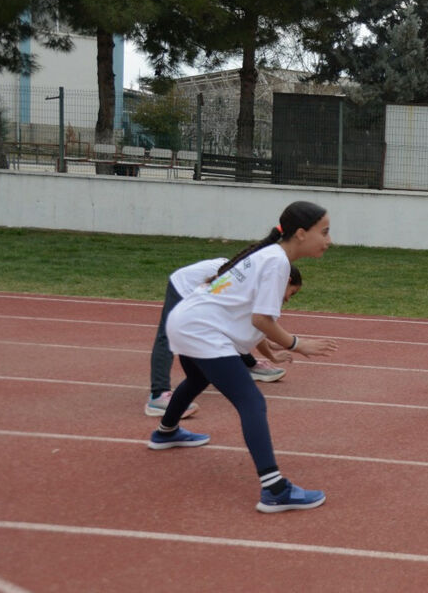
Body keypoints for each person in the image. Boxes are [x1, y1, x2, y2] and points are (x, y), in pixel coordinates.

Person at [147, 201, 339, 513]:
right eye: (326, 232)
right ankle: (275, 488)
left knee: (197, 377)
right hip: (200, 329)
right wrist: (298, 344)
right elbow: (261, 320)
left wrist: (272, 349)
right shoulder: (277, 263)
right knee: (252, 402)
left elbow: (251, 317)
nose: (330, 240)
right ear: (302, 234)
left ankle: (165, 432)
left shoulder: (270, 256)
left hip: (187, 322)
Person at [144, 261, 298, 417]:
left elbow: (247, 325)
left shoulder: (259, 280)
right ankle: (158, 395)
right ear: (288, 280)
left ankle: (250, 365)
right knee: (167, 337)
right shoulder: (252, 281)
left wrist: (270, 344)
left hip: (204, 292)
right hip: (184, 286)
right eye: (292, 293)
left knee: (225, 328)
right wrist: (273, 355)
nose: (287, 299)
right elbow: (257, 323)